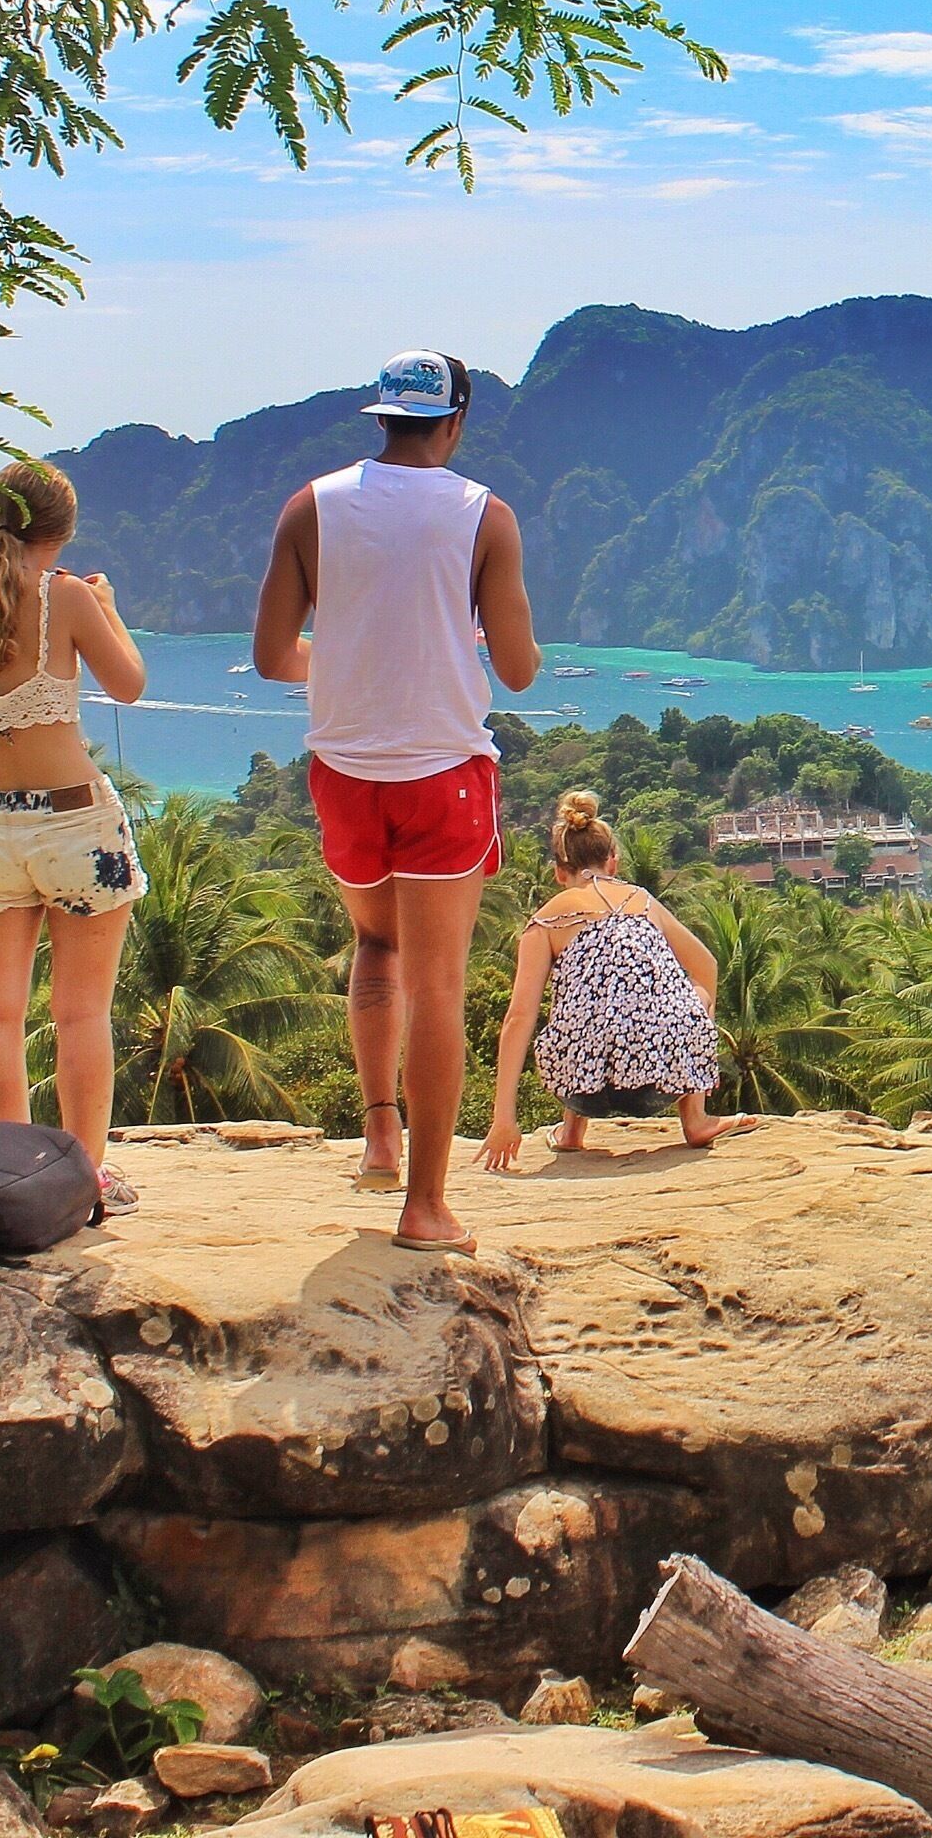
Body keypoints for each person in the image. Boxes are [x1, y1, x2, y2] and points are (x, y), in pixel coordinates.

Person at [253, 350, 539, 1254]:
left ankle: (380, 1133)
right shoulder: (482, 515)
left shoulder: (311, 506)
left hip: (343, 771)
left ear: (382, 418)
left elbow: (272, 657)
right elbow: (522, 672)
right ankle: (424, 1208)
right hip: (444, 772)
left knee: (375, 944)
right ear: (454, 424)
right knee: (439, 983)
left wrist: (343, 661)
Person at [0, 460, 148, 1211]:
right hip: (76, 826)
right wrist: (109, 607)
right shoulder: (66, 597)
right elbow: (127, 683)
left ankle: (8, 1180)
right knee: (80, 1013)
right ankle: (86, 1177)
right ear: (63, 532)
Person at [479, 790, 757, 1169]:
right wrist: (693, 1006)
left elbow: (518, 1018)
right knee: (691, 992)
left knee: (581, 1001)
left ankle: (572, 1131)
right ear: (613, 862)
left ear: (559, 871)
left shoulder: (545, 920)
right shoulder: (640, 901)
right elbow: (707, 966)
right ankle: (696, 1117)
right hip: (663, 1082)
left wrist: (503, 1120)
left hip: (583, 1091)